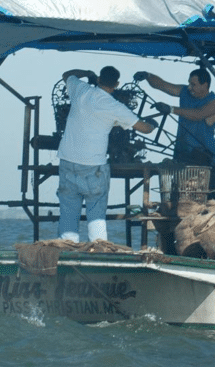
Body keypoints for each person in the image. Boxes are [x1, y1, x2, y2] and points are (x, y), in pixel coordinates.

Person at [57, 66, 155, 243]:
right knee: (96, 214)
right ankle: (98, 250)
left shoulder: (81, 89)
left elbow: (67, 75)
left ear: (99, 79)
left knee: (68, 214)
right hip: (93, 166)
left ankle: (66, 252)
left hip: (67, 162)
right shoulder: (114, 106)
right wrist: (152, 123)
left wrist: (87, 73)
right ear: (116, 84)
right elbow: (144, 128)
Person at [134, 68, 215, 191]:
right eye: (189, 83)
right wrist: (148, 75)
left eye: (193, 85)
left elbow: (198, 115)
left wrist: (171, 109)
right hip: (182, 154)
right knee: (180, 194)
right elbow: (163, 85)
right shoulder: (185, 92)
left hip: (203, 158)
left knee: (206, 198)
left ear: (205, 85)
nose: (190, 87)